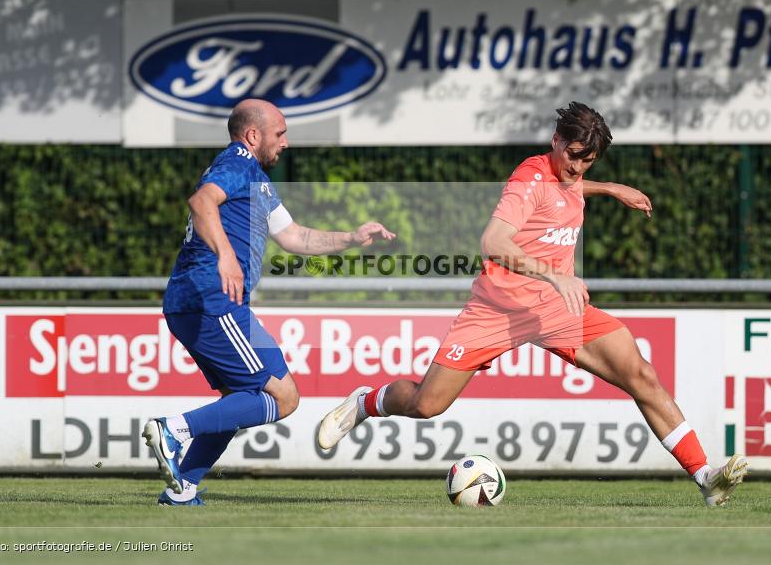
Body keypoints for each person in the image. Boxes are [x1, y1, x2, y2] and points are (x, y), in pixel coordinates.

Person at [319, 102, 748, 507]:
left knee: (641, 375)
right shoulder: (529, 176)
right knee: (426, 406)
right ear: (556, 139)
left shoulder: (572, 176)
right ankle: (363, 403)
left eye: (589, 161)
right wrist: (553, 273)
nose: (578, 167)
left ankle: (705, 477)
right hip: (497, 311)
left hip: (555, 311)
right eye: (574, 155)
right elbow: (493, 241)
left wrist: (609, 188)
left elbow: (570, 188)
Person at [144, 98, 394, 506]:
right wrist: (225, 255)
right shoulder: (238, 162)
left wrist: (350, 237)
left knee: (239, 398)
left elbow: (294, 237)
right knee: (284, 397)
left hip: (199, 301)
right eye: (280, 133)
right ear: (253, 135)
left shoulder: (254, 179)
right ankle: (174, 430)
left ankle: (184, 486)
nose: (286, 142)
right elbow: (201, 202)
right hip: (214, 300)